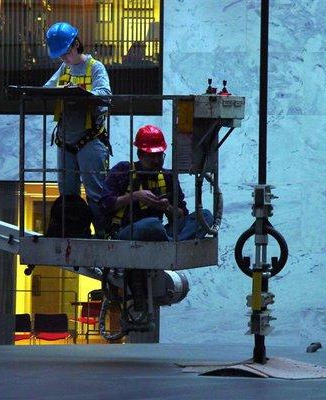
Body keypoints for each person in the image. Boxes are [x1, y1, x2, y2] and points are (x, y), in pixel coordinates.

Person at [44, 22, 112, 236]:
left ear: (76, 44)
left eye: (65, 53)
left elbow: (104, 95)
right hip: (66, 142)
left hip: (89, 140)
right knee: (68, 195)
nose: (63, 58)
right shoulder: (64, 69)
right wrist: (61, 89)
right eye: (60, 55)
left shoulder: (95, 68)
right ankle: (74, 234)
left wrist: (80, 93)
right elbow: (47, 89)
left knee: (96, 193)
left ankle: (102, 235)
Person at [99, 124, 213, 242]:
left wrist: (166, 208)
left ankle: (174, 243)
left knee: (205, 216)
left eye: (159, 156)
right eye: (152, 156)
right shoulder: (123, 170)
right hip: (127, 231)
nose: (157, 161)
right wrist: (135, 196)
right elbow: (105, 205)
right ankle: (174, 243)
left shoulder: (168, 177)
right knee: (152, 224)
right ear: (140, 155)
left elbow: (181, 215)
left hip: (160, 232)